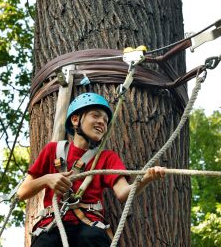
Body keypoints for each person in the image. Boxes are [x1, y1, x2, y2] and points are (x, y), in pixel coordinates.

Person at [17, 92, 166, 247]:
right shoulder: (52, 150)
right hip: (52, 225)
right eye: (95, 116)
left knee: (90, 237)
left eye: (105, 120)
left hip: (88, 226)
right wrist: (47, 179)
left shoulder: (106, 158)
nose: (102, 122)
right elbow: (22, 193)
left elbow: (123, 194)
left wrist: (147, 179)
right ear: (75, 120)